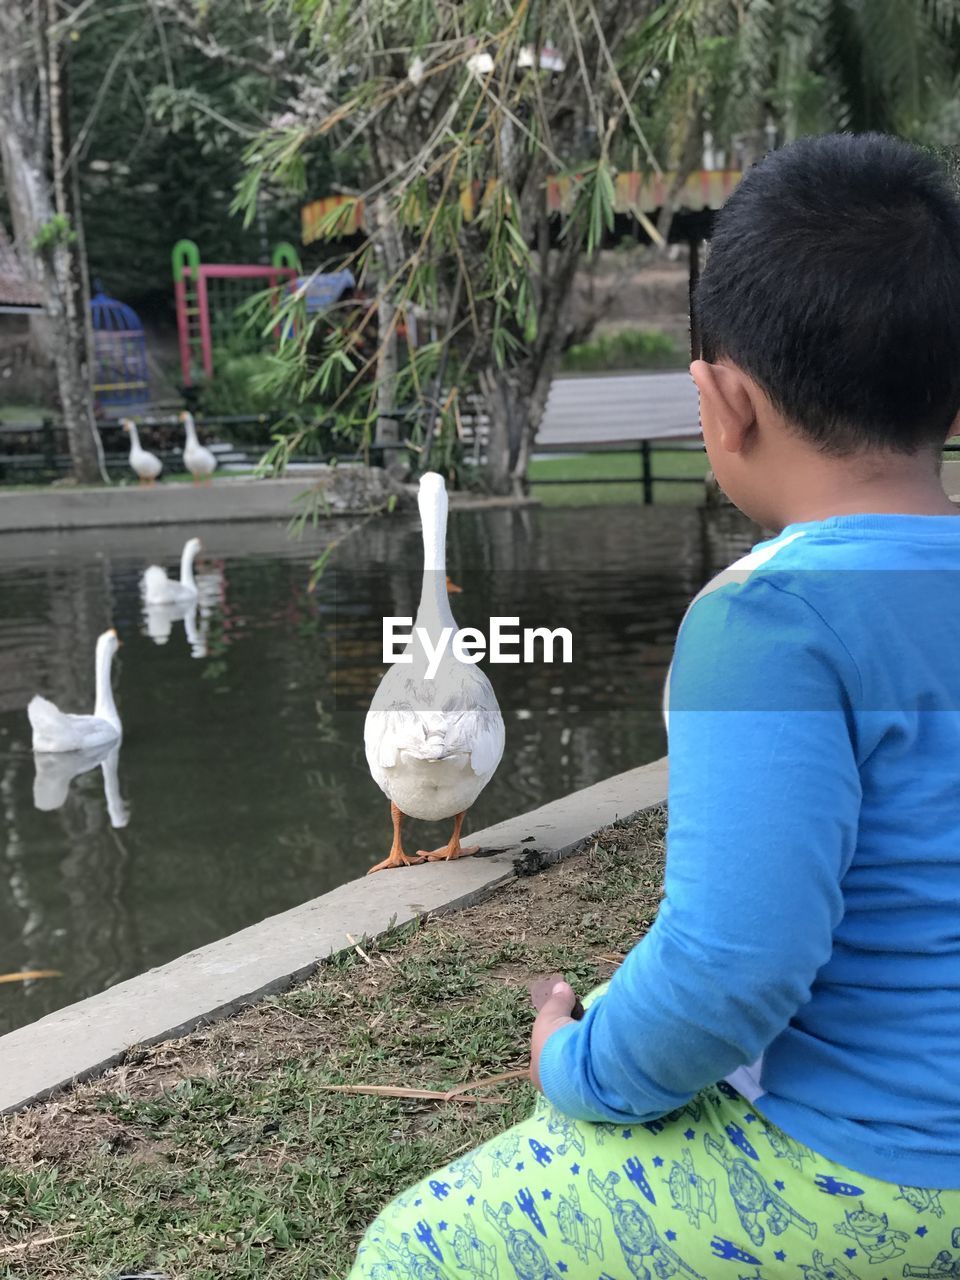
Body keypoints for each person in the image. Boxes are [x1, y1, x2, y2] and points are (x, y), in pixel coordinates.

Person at [348, 132, 960, 1278]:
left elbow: (738, 963)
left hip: (878, 1177)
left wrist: (573, 1063)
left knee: (410, 1249)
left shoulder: (768, 621)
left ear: (721, 402)